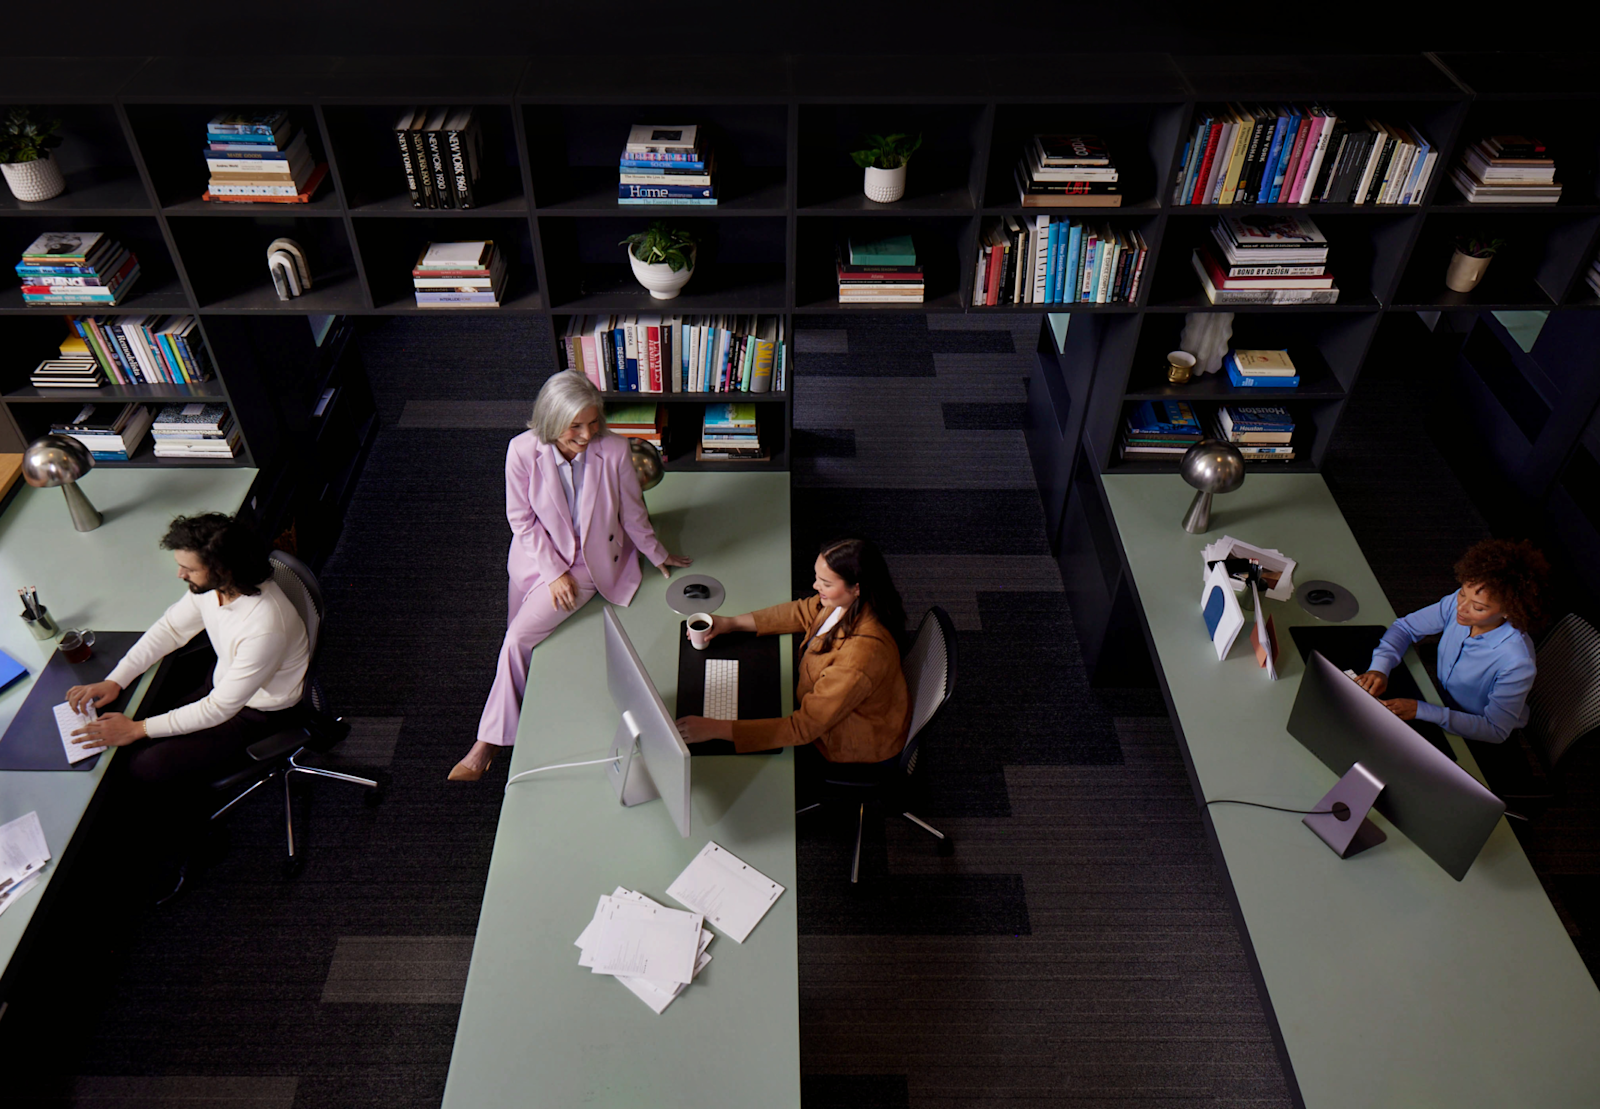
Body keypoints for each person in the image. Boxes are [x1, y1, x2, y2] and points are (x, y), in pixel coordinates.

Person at [451, 370, 692, 781]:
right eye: (575, 425)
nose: (587, 433)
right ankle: (515, 712)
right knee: (521, 637)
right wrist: (552, 571)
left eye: (593, 421)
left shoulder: (613, 451)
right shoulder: (521, 451)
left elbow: (633, 513)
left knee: (517, 640)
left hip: (587, 564)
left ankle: (486, 743)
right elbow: (521, 520)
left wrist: (658, 553)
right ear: (550, 418)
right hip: (535, 559)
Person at [65, 512, 310, 780]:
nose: (180, 574)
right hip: (224, 683)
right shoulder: (217, 587)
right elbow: (170, 629)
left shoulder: (264, 627)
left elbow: (218, 708)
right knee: (137, 727)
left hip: (258, 713)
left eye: (190, 569)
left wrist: (137, 729)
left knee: (145, 764)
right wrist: (115, 680)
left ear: (223, 569)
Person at [676, 538, 910, 782]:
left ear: (857, 587)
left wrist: (715, 729)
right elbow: (802, 612)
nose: (815, 585)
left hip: (851, 744)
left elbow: (803, 729)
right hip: (828, 704)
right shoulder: (848, 602)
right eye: (817, 577)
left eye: (826, 583)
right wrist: (732, 623)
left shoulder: (857, 659)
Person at [1356, 538, 1549, 743]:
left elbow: (1495, 730)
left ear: (1509, 611)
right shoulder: (1459, 603)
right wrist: (1379, 668)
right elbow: (1405, 627)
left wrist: (1422, 710)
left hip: (1477, 735)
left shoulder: (1517, 661)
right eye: (1462, 594)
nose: (1461, 608)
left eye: (1478, 607)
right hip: (1439, 707)